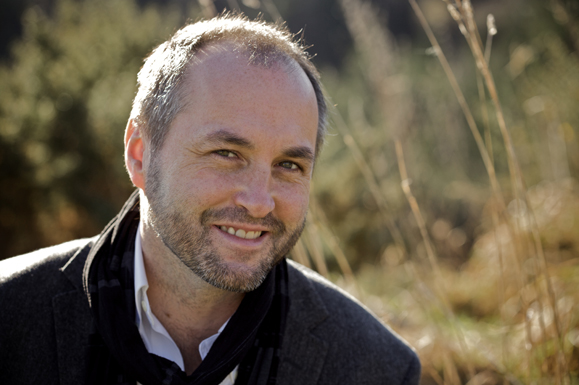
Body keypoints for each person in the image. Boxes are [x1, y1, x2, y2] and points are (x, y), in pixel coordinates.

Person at [0, 14, 420, 385]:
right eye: (227, 154)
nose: (259, 202)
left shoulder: (375, 367)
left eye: (289, 165)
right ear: (140, 154)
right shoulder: (11, 316)